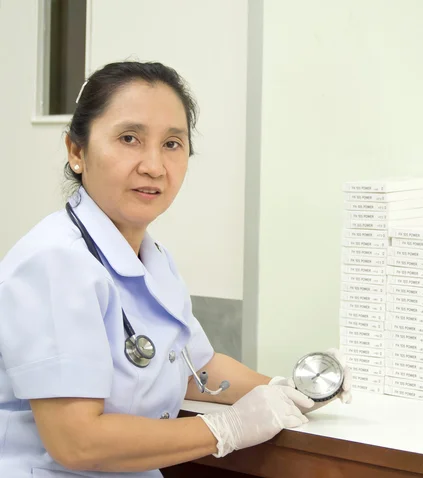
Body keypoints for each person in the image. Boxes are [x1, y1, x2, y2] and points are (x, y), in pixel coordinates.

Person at [0, 61, 352, 478]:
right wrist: (229, 428)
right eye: (129, 138)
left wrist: (286, 389)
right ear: (77, 151)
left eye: (172, 144)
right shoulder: (55, 263)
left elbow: (192, 368)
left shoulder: (152, 257)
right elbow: (77, 442)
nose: (154, 165)